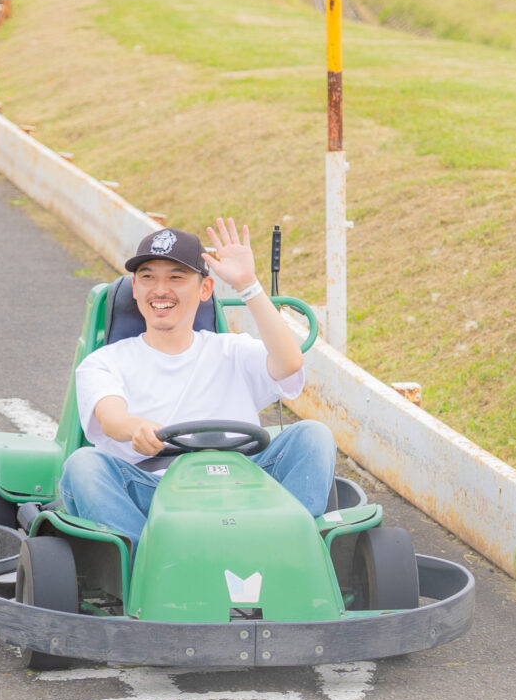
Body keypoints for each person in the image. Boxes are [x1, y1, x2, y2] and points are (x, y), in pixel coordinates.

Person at [59, 218, 334, 541]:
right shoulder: (105, 361)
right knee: (84, 465)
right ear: (135, 288)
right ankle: (146, 566)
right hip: (153, 492)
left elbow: (289, 363)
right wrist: (137, 429)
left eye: (176, 277)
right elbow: (110, 417)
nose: (161, 290)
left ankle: (293, 547)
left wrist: (249, 285)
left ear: (205, 289)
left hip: (242, 487)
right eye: (148, 278)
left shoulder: (232, 350)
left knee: (314, 435)